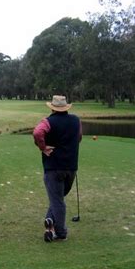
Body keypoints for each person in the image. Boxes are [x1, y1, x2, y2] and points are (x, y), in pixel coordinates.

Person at [33, 95, 82, 242]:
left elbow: (37, 133)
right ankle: (50, 220)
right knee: (58, 198)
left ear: (52, 108)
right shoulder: (76, 120)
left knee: (57, 200)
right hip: (71, 167)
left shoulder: (48, 122)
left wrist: (43, 147)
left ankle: (60, 233)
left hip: (53, 167)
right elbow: (79, 137)